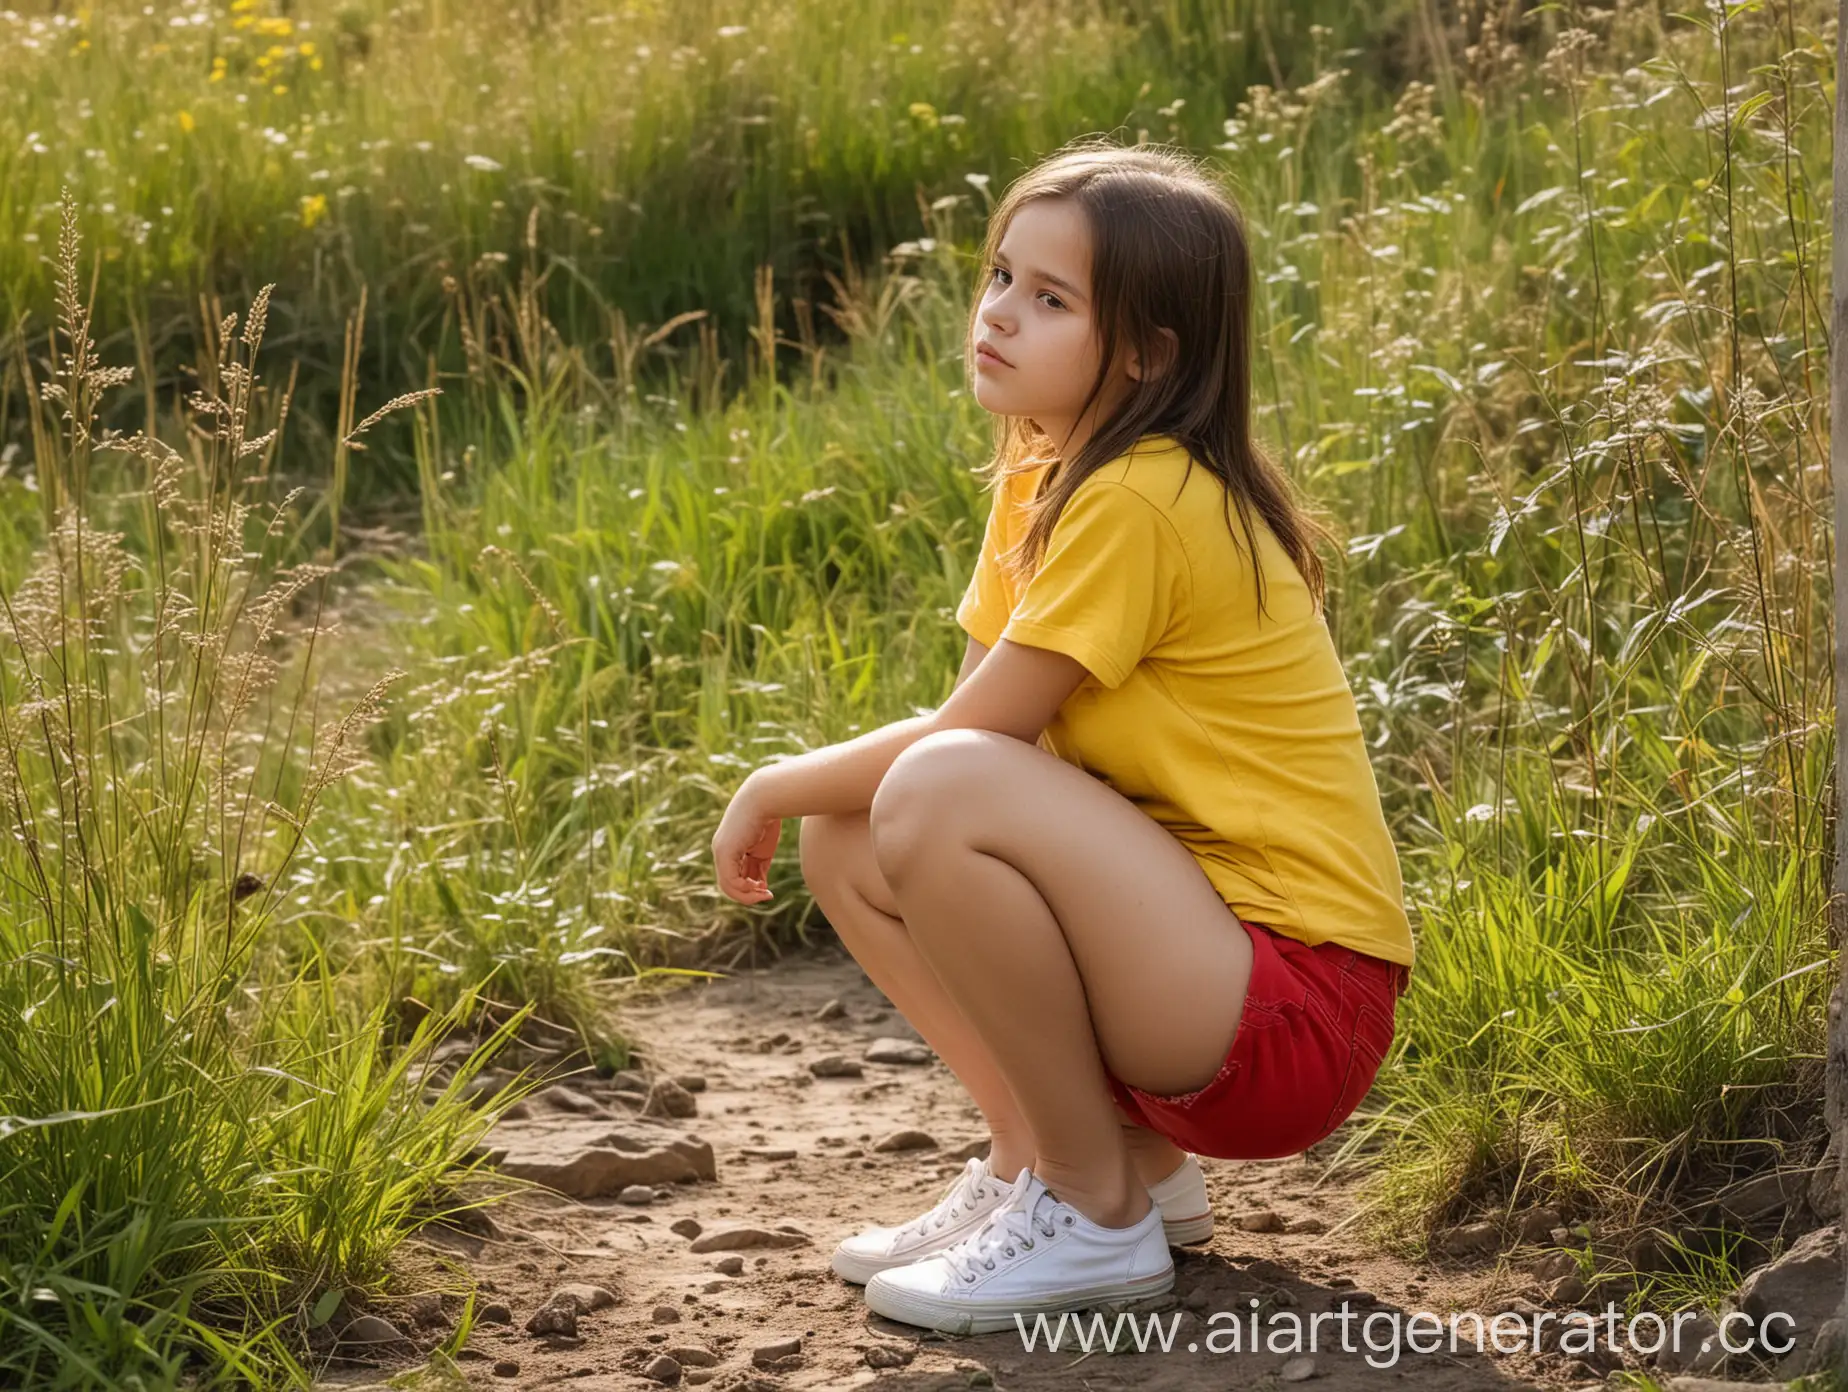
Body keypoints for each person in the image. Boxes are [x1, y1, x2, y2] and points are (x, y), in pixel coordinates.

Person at [709, 136, 1415, 1336]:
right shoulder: (1046, 477)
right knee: (852, 832)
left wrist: (767, 779)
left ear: (1145, 356)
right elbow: (964, 728)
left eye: (1049, 300)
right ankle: (1074, 1161)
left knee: (929, 793)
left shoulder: (1144, 495)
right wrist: (806, 796)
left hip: (1294, 1009)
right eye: (998, 278)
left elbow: (975, 745)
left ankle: (1091, 1213)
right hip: (1198, 972)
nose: (997, 315)